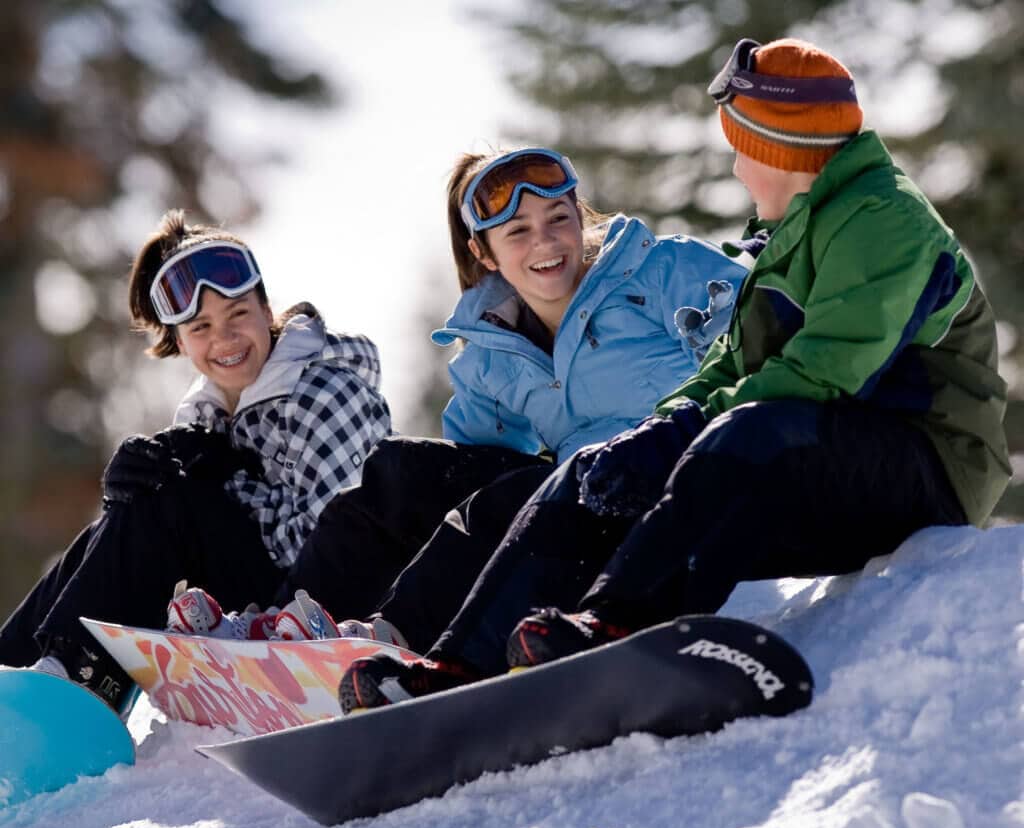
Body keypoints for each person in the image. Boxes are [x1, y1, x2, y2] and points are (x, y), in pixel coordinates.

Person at [337, 38, 1010, 711]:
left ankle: (621, 621)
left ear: (779, 149)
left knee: (748, 430)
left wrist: (687, 429)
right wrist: (656, 434)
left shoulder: (880, 217)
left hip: (928, 466)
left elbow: (827, 371)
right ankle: (457, 664)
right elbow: (728, 368)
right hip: (819, 458)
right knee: (596, 471)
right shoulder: (794, 234)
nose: (739, 169)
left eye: (743, 149)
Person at [250, 146, 749, 654]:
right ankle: (284, 627)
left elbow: (759, 348)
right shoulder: (493, 349)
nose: (546, 242)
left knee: (511, 499)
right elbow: (469, 473)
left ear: (580, 218)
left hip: (666, 488)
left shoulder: (660, 270)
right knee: (402, 471)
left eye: (558, 218)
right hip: (574, 502)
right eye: (519, 232)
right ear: (484, 254)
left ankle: (397, 636)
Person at [0, 210, 391, 712]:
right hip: (273, 597)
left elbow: (346, 542)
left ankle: (73, 686)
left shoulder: (323, 393)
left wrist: (221, 488)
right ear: (179, 341)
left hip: (340, 613)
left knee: (165, 501)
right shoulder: (209, 417)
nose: (224, 340)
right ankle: (16, 669)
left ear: (266, 307)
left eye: (238, 314)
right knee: (145, 498)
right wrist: (133, 497)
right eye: (201, 327)